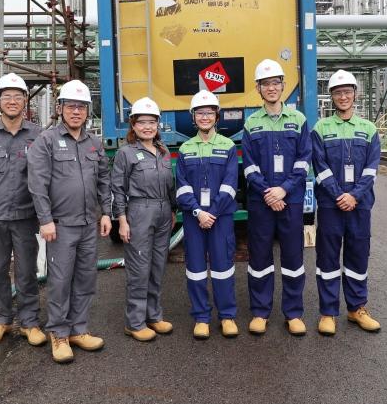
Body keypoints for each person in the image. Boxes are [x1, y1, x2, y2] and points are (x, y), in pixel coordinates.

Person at [27, 79, 112, 363]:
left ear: (88, 111)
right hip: (60, 225)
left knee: (86, 278)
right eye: (71, 106)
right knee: (61, 281)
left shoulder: (94, 143)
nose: (76, 111)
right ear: (60, 108)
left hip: (88, 223)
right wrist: (45, 220)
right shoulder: (47, 141)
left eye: (82, 107)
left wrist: (106, 212)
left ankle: (78, 329)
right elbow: (37, 184)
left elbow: (104, 179)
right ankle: (59, 333)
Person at [0, 73, 45, 347]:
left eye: (18, 96)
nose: (12, 101)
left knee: (26, 272)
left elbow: (44, 172)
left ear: (25, 101)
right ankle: (2, 320)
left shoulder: (38, 135)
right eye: (7, 96)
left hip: (26, 216)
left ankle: (29, 322)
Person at [241, 59, 311, 337]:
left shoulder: (299, 120)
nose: (271, 88)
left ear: (283, 86)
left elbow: (304, 161)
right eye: (265, 84)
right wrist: (268, 192)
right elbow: (249, 166)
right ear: (258, 88)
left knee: (293, 257)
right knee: (259, 257)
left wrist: (284, 189)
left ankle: (293, 313)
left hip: (290, 200)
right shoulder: (251, 123)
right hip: (261, 201)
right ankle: (260, 312)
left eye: (275, 83)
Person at [310, 69, 382, 337]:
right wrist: (339, 194)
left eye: (347, 92)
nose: (343, 97)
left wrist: (355, 195)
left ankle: (357, 308)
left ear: (355, 94)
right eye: (338, 93)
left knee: (358, 255)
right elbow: (319, 167)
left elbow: (372, 169)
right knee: (327, 257)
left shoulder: (369, 129)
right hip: (331, 205)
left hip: (359, 205)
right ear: (331, 96)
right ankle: (328, 312)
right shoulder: (321, 129)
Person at [110, 97, 177, 342]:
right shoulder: (125, 153)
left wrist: (172, 210)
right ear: (133, 125)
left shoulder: (163, 151)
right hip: (139, 211)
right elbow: (117, 189)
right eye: (142, 122)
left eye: (152, 122)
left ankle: (153, 316)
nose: (147, 127)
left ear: (158, 124)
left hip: (163, 210)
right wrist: (122, 220)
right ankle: (135, 322)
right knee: (139, 269)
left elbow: (170, 184)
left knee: (158, 266)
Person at [175, 90, 240, 340]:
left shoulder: (228, 146)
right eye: (200, 113)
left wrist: (211, 212)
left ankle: (227, 316)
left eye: (209, 112)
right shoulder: (185, 148)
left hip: (220, 217)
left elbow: (230, 185)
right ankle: (201, 317)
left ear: (217, 116)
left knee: (223, 267)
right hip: (194, 218)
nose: (205, 117)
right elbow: (182, 187)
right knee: (196, 269)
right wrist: (197, 212)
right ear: (193, 117)